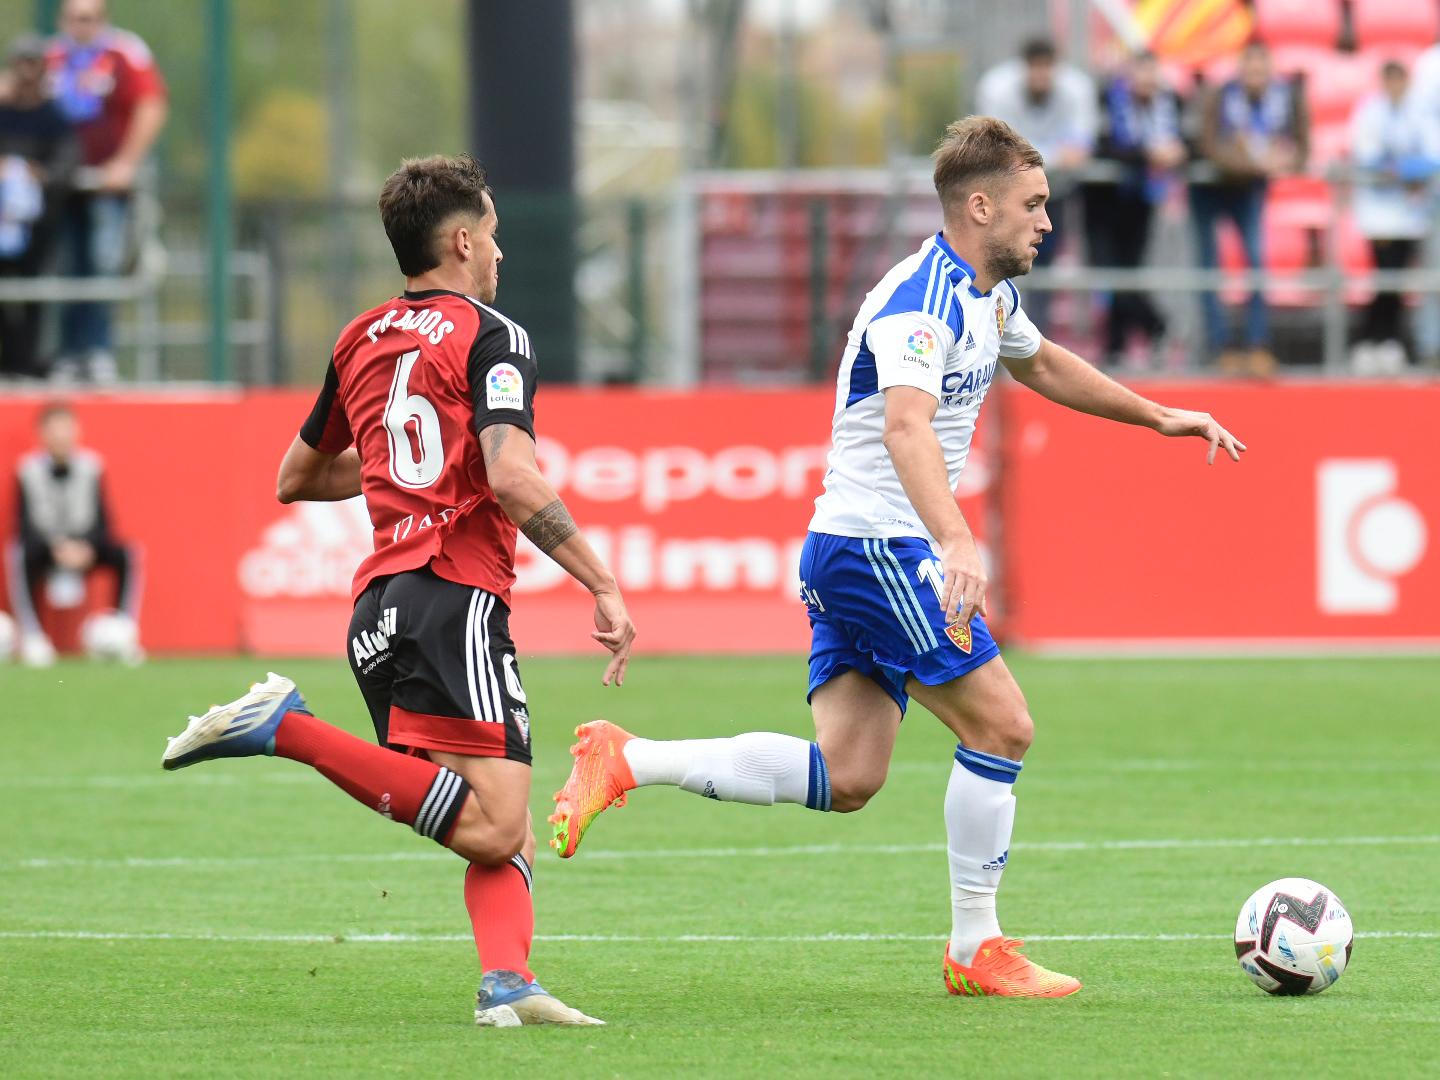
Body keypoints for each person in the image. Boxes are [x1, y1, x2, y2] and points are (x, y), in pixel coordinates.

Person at [549, 117, 1244, 999]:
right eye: (1033, 205)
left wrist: (1157, 414)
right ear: (979, 205)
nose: (1048, 223)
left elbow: (1043, 365)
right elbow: (905, 423)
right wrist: (955, 535)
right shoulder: (923, 300)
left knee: (848, 776)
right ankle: (975, 947)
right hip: (880, 546)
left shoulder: (984, 293)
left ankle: (626, 758)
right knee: (1003, 726)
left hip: (850, 548)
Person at [160, 155, 636, 1027]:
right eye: (490, 234)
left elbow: (295, 477)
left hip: (379, 610)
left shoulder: (359, 337)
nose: (498, 252)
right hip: (453, 594)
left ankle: (507, 986)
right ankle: (287, 729)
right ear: (461, 240)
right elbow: (512, 475)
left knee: (496, 823)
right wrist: (602, 582)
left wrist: (388, 465)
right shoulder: (495, 334)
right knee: (496, 824)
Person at [46, 0, 167, 382]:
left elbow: (151, 105)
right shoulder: (51, 57)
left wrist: (126, 163)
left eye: (91, 17)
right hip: (64, 185)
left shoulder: (123, 53)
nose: (83, 25)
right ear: (63, 20)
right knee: (66, 266)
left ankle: (97, 351)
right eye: (76, 17)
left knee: (102, 263)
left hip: (108, 187)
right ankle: (68, 353)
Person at [1190, 40, 1308, 376]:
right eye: (1250, 67)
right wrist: (1253, 162)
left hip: (1249, 191)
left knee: (1256, 262)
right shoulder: (1219, 95)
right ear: (1241, 68)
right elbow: (1208, 144)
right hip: (1209, 189)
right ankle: (1220, 345)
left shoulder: (1284, 98)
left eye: (1261, 68)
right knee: (1209, 268)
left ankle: (1258, 345)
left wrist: (1285, 159)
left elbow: (1302, 145)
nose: (1255, 74)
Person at [6, 401, 142, 667]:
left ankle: (123, 632)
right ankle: (34, 637)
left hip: (85, 546)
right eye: (53, 430)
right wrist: (57, 546)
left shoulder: (92, 466)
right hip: (46, 547)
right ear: (42, 434)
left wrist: (86, 547)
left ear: (76, 431)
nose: (60, 436)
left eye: (65, 429)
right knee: (18, 554)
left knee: (127, 553)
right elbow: (24, 524)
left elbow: (103, 521)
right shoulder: (27, 469)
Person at [975, 37, 1097, 328]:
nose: (1041, 76)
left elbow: (1078, 151)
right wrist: (1053, 157)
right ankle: (992, 332)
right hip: (1008, 194)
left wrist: (1030, 159)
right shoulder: (998, 88)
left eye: (1047, 68)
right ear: (1024, 68)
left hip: (1055, 192)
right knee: (1003, 260)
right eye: (1035, 68)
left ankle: (1032, 336)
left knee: (1041, 261)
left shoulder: (1076, 89)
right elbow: (998, 150)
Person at [1086, 51, 1186, 368]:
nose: (1146, 80)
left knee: (1129, 271)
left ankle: (1115, 346)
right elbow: (1102, 145)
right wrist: (1148, 154)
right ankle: (1157, 325)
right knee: (1109, 271)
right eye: (1140, 72)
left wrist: (1176, 152)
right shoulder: (1105, 98)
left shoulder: (1171, 103)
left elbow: (1188, 142)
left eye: (1151, 73)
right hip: (1100, 201)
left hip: (1140, 201)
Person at [1348, 60, 1440, 372]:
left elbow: (1433, 157)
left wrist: (1401, 169)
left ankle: (1387, 342)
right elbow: (1367, 157)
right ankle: (1374, 340)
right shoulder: (1371, 112)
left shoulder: (1419, 114)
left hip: (1411, 214)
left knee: (1398, 280)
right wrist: (1403, 170)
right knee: (1384, 278)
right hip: (1380, 214)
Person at [0, 33, 79, 380]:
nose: (27, 71)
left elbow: (68, 159)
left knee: (34, 291)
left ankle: (29, 360)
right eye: (22, 63)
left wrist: (38, 175)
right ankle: (9, 356)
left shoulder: (54, 117)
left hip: (37, 224)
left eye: (34, 63)